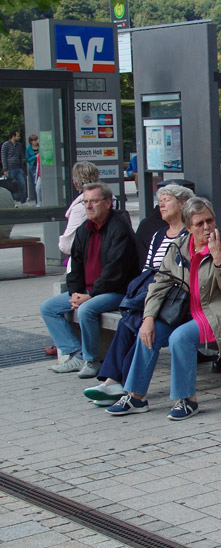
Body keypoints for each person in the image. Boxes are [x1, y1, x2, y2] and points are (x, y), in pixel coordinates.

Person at [106, 197, 221, 420]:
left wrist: (219, 261)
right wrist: (149, 317)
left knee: (179, 338)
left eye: (210, 220)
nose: (207, 227)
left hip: (217, 313)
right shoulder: (179, 248)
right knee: (148, 333)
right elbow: (159, 284)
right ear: (188, 228)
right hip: (185, 313)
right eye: (199, 223)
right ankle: (135, 396)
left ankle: (187, 400)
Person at [81, 184, 194, 406]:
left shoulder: (188, 234)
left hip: (173, 299)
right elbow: (147, 270)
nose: (160, 204)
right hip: (151, 294)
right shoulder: (159, 234)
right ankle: (115, 382)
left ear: (182, 204)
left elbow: (179, 275)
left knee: (137, 325)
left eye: (167, 199)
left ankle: (118, 383)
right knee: (129, 323)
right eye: (159, 200)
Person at [40, 182, 139, 378]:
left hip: (116, 291)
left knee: (86, 310)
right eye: (85, 202)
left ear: (108, 202)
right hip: (87, 291)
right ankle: (75, 353)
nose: (88, 206)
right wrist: (76, 291)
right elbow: (75, 265)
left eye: (94, 201)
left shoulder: (119, 228)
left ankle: (92, 360)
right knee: (49, 308)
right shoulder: (84, 229)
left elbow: (115, 271)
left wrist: (90, 295)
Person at [59, 162, 100, 263]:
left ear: (75, 184)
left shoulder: (80, 208)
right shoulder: (111, 200)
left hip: (88, 260)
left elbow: (67, 246)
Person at [2, 130, 27, 203]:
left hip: (18, 168)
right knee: (12, 185)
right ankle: (13, 201)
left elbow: (21, 155)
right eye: (18, 136)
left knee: (22, 184)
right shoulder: (5, 145)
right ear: (13, 136)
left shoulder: (19, 145)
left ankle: (23, 200)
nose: (19, 137)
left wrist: (22, 163)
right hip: (10, 168)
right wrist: (5, 169)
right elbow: (3, 157)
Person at [25, 134, 39, 204]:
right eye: (34, 140)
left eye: (36, 140)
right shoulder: (28, 148)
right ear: (31, 141)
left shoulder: (40, 146)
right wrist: (35, 156)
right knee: (35, 183)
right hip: (33, 167)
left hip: (40, 166)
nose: (36, 141)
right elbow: (27, 159)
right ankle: (37, 200)